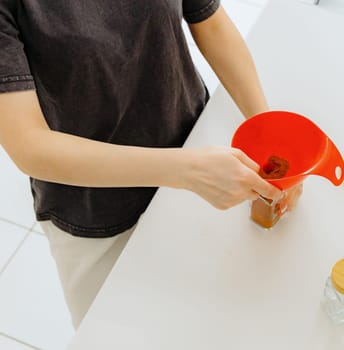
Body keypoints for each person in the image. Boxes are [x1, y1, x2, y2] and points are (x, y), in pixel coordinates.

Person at [0, 0, 282, 329]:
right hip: (98, 211)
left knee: (214, 320)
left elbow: (212, 23)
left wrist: (268, 135)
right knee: (120, 332)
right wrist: (186, 171)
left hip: (197, 158)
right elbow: (29, 145)